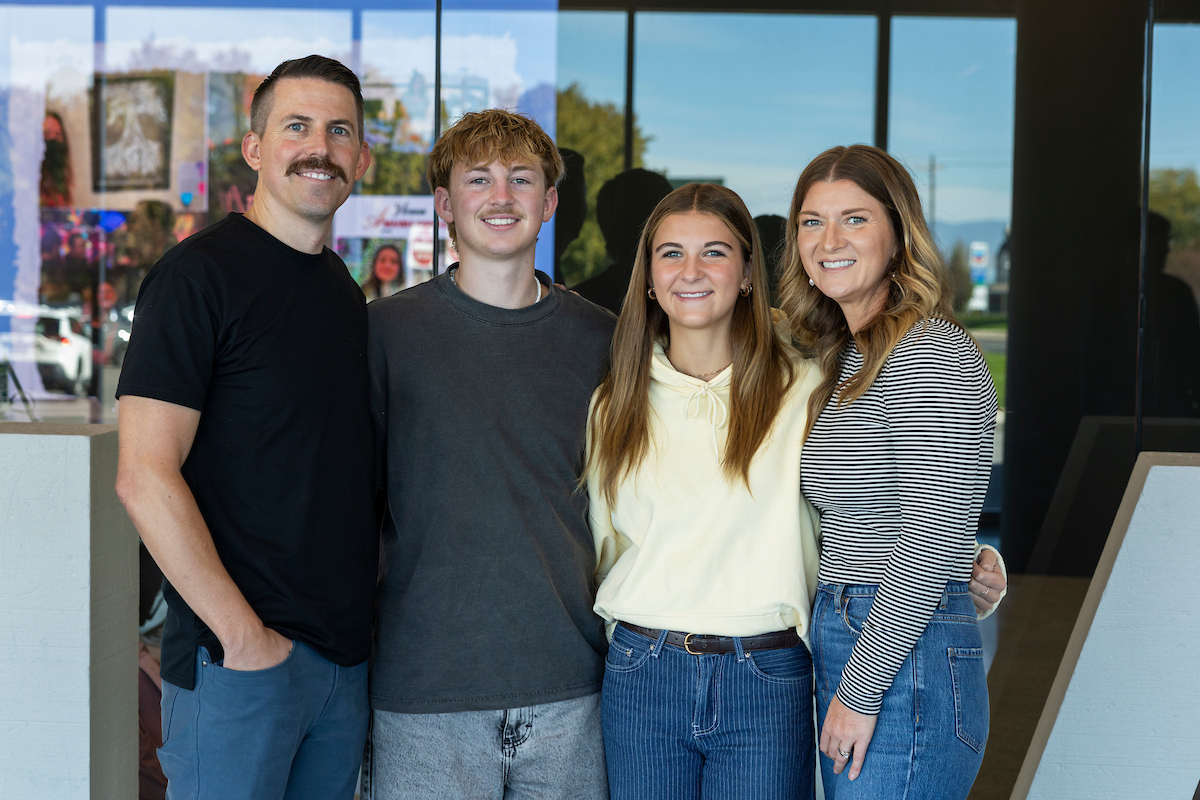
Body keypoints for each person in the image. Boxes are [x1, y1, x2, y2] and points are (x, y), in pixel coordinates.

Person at [114, 55, 376, 800]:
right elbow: (144, 475)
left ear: (360, 156)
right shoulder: (198, 277)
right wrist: (243, 637)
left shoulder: (341, 293)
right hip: (242, 668)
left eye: (338, 130)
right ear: (255, 148)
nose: (319, 147)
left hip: (340, 666)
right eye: (296, 126)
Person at [366, 108, 614, 799]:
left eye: (521, 179)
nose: (501, 198)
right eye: (479, 179)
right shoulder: (384, 335)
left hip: (572, 688)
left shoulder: (603, 341)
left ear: (550, 202)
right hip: (426, 694)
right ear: (445, 203)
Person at [586, 183, 823, 799]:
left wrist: (968, 565)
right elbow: (603, 544)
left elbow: (871, 517)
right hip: (642, 670)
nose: (691, 272)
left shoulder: (805, 390)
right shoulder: (615, 403)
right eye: (671, 254)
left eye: (714, 253)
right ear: (647, 277)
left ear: (747, 272)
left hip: (768, 672)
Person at [779, 144, 999, 799]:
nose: (829, 240)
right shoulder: (848, 357)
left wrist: (862, 685)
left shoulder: (928, 351)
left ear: (900, 236)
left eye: (855, 219)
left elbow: (932, 528)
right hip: (863, 628)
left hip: (900, 653)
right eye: (811, 222)